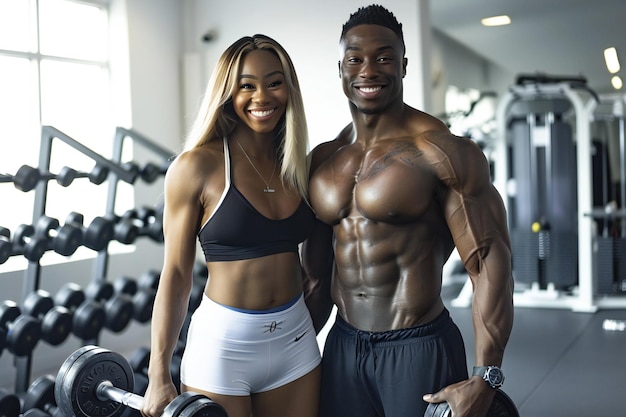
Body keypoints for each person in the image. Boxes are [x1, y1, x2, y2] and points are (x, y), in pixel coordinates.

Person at [302, 5, 514, 417]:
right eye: (355, 59)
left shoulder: (442, 151)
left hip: (417, 346)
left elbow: (488, 260)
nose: (369, 70)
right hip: (342, 346)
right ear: (341, 68)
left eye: (383, 57)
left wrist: (487, 375)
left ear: (403, 64)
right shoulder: (322, 160)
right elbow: (313, 279)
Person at [140, 34, 321, 417]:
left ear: (289, 89)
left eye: (274, 83)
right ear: (228, 92)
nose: (262, 97)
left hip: (296, 339)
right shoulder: (196, 167)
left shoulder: (300, 166)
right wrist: (158, 373)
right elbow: (175, 274)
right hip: (223, 348)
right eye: (247, 86)